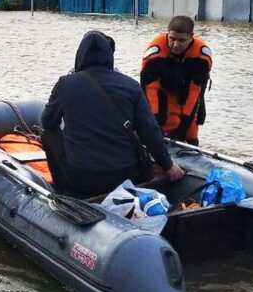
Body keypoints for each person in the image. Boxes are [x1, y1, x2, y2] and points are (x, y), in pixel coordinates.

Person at [41, 31, 183, 198]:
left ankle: (64, 191)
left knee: (48, 134)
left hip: (80, 178)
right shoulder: (131, 86)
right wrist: (168, 165)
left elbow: (47, 122)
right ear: (110, 57)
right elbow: (150, 131)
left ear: (79, 57)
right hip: (124, 175)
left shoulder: (65, 84)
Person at [140, 16, 212, 145]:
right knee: (160, 122)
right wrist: (153, 121)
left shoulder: (200, 56)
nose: (176, 44)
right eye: (172, 39)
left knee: (190, 129)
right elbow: (150, 90)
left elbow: (195, 92)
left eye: (181, 40)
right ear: (167, 34)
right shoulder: (156, 53)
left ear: (191, 37)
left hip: (187, 91)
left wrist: (184, 125)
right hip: (162, 91)